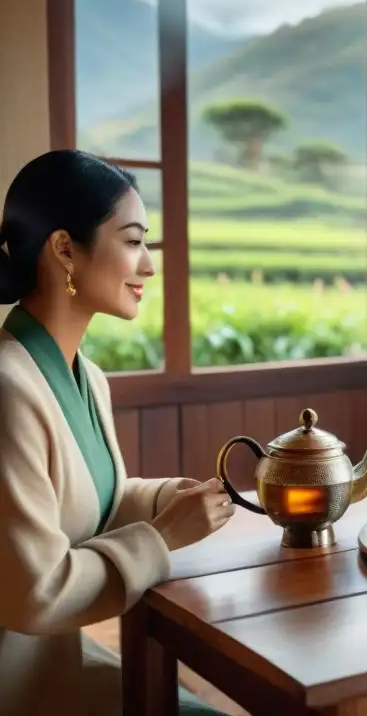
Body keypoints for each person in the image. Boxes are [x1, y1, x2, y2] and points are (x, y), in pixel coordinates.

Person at [0, 150, 235, 715]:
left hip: (55, 665)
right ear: (64, 250)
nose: (149, 265)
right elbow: (36, 595)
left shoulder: (87, 378)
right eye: (132, 241)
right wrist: (162, 537)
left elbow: (92, 506)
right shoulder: (8, 389)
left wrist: (164, 500)